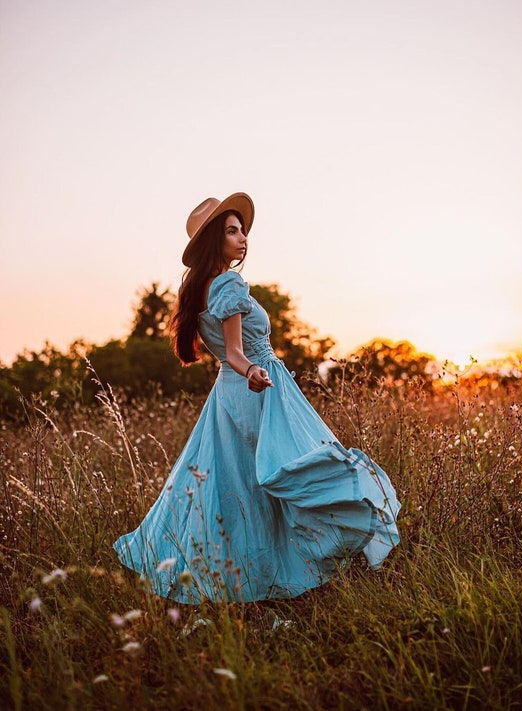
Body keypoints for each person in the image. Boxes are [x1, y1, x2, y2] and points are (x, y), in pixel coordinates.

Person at [113, 192, 400, 604]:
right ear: (215, 240)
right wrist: (253, 370)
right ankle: (289, 567)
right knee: (294, 470)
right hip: (256, 386)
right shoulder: (229, 283)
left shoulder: (202, 290)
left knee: (238, 484)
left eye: (242, 229)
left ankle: (250, 573)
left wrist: (246, 371)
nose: (242, 237)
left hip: (229, 393)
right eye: (232, 231)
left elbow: (225, 354)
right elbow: (233, 352)